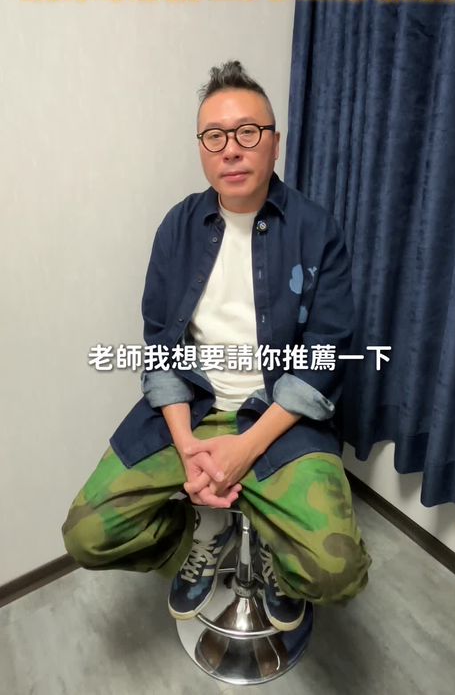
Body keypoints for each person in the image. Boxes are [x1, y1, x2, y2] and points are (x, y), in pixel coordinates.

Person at [62, 60, 372, 632]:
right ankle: (202, 535)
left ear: (274, 143)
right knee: (86, 535)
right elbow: (160, 348)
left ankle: (277, 556)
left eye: (248, 132)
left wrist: (244, 451)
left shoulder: (316, 230)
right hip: (194, 408)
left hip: (278, 415)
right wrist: (189, 450)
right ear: (202, 150)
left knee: (337, 574)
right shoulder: (177, 228)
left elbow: (323, 359)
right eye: (214, 136)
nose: (231, 150)